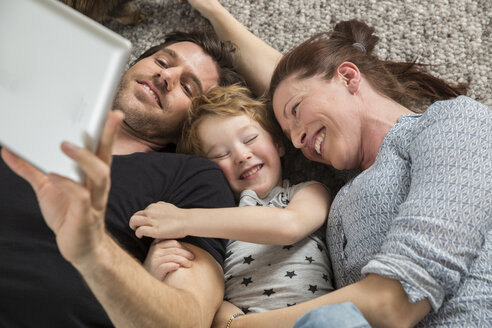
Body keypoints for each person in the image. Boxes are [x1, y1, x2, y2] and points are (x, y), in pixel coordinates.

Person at [179, 1, 491, 327]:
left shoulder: (454, 122)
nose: (298, 141)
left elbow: (394, 303)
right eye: (289, 134)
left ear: (348, 76)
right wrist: (215, 13)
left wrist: (238, 325)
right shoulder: (343, 189)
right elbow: (280, 92)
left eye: (297, 111)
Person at [0, 30, 245, 327]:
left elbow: (189, 319)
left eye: (188, 87)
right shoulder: (36, 106)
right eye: (163, 61)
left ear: (195, 120)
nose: (165, 76)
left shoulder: (193, 177)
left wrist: (94, 250)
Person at [128, 84, 334, 313]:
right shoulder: (208, 231)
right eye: (221, 154)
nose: (241, 156)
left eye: (250, 139)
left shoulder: (308, 192)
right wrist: (150, 274)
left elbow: (290, 225)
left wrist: (181, 219)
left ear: (277, 144)